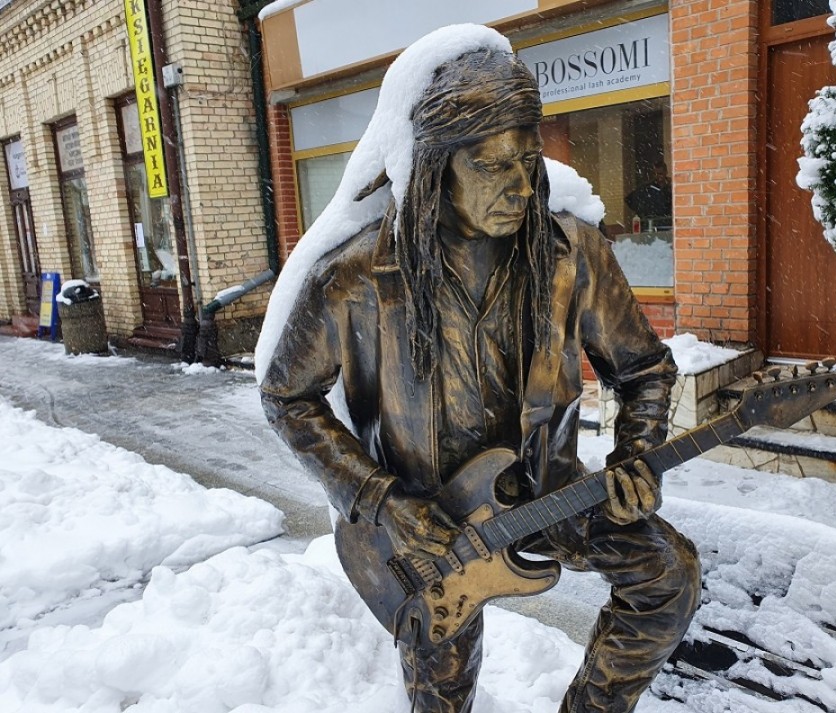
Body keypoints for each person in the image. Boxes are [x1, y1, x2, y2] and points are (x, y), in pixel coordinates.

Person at [258, 25, 699, 713]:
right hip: (425, 523)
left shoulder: (570, 253)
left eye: (528, 160)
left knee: (667, 575)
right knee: (443, 687)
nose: (520, 186)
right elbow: (288, 396)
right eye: (491, 166)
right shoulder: (354, 280)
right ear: (436, 167)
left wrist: (636, 452)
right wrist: (379, 500)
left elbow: (643, 367)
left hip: (549, 491)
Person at [625, 160, 672, 230]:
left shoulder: (671, 187)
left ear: (666, 172)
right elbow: (629, 199)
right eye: (655, 174)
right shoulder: (646, 188)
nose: (658, 176)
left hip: (667, 223)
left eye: (660, 173)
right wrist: (643, 213)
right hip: (652, 223)